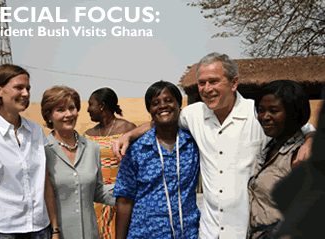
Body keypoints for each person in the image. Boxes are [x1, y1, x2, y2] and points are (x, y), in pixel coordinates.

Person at [112, 53, 315, 239]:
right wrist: (129, 135)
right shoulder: (194, 115)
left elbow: (300, 125)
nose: (207, 89)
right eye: (202, 83)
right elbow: (163, 117)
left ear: (234, 82)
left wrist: (310, 140)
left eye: (214, 81)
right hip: (206, 231)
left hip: (244, 231)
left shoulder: (258, 114)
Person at [0, 64, 59, 238]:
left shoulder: (36, 131)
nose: (26, 93)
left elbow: (45, 184)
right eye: (19, 87)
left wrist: (54, 229)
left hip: (39, 230)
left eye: (28, 88)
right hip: (1, 232)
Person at [113, 81, 200, 239]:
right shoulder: (136, 150)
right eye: (155, 103)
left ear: (179, 104)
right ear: (149, 110)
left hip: (188, 233)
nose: (163, 106)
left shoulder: (194, 144)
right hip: (145, 234)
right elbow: (124, 200)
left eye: (169, 100)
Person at [41, 86, 116, 239]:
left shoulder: (92, 148)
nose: (68, 114)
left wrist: (128, 197)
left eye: (72, 108)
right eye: (60, 110)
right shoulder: (41, 151)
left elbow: (97, 191)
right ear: (49, 115)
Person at [247, 80, 311, 238]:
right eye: (261, 110)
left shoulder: (300, 155)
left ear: (293, 113)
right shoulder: (269, 149)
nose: (264, 117)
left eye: (273, 111)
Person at [270, 88, 325, 238]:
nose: (265, 116)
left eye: (274, 110)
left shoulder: (300, 151)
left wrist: (310, 139)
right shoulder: (269, 145)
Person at [83, 87, 136, 239]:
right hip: (95, 199)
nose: (88, 109)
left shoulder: (128, 129)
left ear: (101, 106)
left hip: (121, 198)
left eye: (90, 104)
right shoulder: (88, 135)